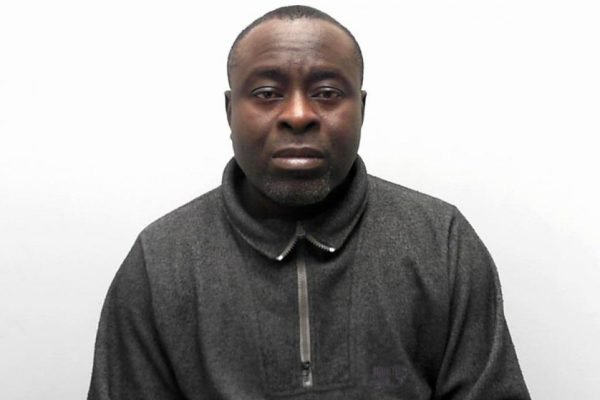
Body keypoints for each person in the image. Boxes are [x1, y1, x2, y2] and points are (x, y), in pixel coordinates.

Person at [88, 5, 530, 399]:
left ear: (361, 109)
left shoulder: (441, 243)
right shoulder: (160, 261)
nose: (298, 115)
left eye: (327, 93)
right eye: (267, 93)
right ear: (229, 111)